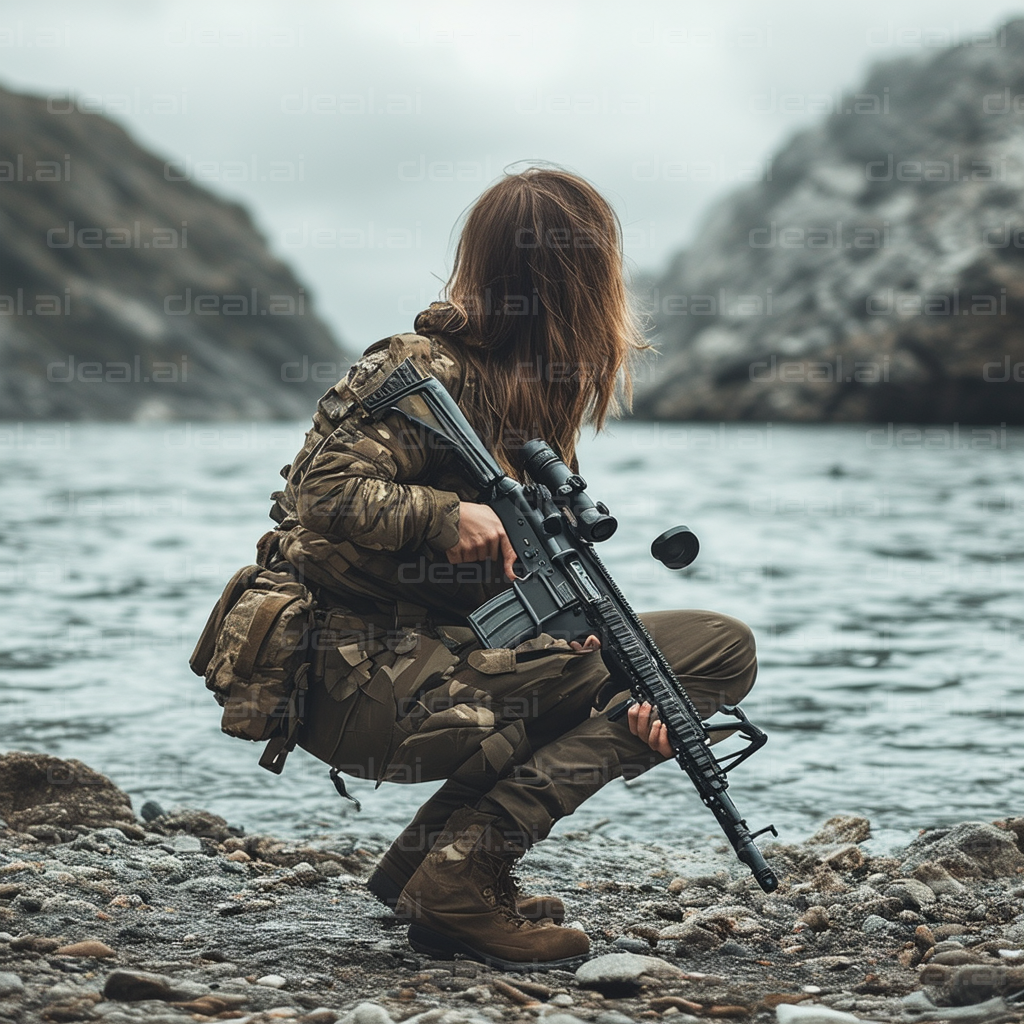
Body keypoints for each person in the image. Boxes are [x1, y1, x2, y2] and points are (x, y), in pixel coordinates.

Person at [259, 166, 758, 970]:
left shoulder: (523, 397)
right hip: (351, 681)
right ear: (585, 282)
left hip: (407, 667)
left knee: (699, 650)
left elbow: (508, 577)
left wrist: (597, 666)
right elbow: (321, 491)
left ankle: (420, 873)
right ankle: (461, 883)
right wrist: (444, 516)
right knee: (709, 654)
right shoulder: (419, 370)